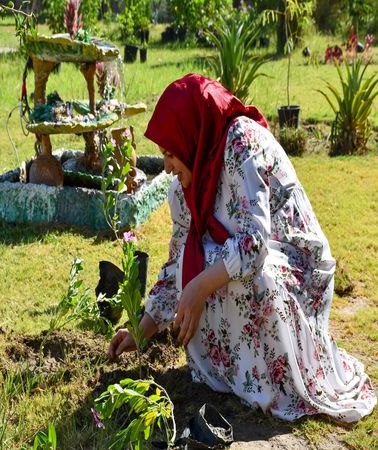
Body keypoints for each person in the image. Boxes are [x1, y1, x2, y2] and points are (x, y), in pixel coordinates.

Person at [107, 73, 376, 422]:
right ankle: (234, 376)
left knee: (234, 272)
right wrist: (141, 330)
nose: (167, 166)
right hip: (260, 259)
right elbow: (177, 260)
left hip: (297, 268)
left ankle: (269, 383)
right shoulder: (186, 185)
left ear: (192, 135)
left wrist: (200, 287)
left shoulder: (240, 143)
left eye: (171, 153)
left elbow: (255, 243)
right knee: (201, 259)